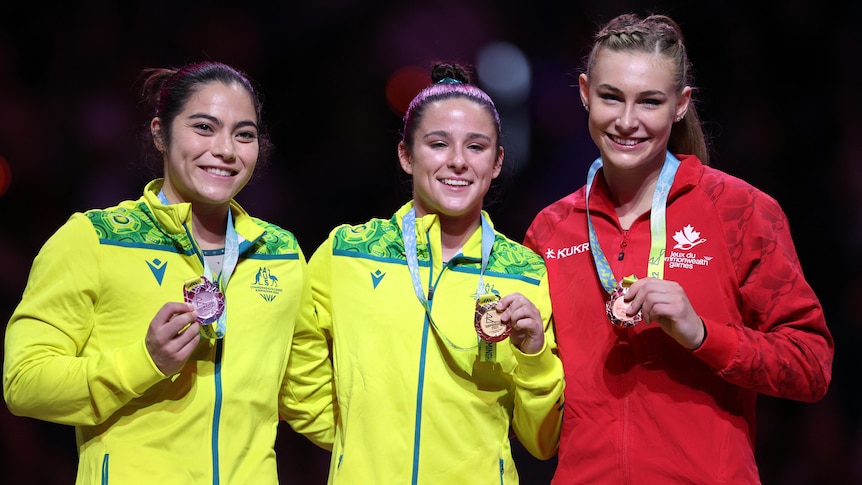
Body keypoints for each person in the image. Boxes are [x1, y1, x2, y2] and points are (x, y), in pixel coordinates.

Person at [524, 13, 834, 484]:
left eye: (650, 102)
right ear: (585, 92)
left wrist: (702, 334)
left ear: (681, 105)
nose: (627, 121)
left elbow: (810, 366)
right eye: (611, 97)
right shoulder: (551, 230)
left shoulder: (741, 211)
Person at [3, 61, 334, 484]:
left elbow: (305, 395)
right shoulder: (94, 239)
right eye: (204, 127)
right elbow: (24, 383)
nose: (226, 150)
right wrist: (144, 362)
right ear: (160, 132)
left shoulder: (280, 253)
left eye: (244, 134)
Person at [308, 63, 564, 484]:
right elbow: (300, 354)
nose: (458, 161)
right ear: (406, 155)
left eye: (477, 147)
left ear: (497, 162)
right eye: (438, 143)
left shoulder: (526, 273)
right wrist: (349, 437)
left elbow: (542, 441)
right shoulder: (348, 252)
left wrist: (535, 354)